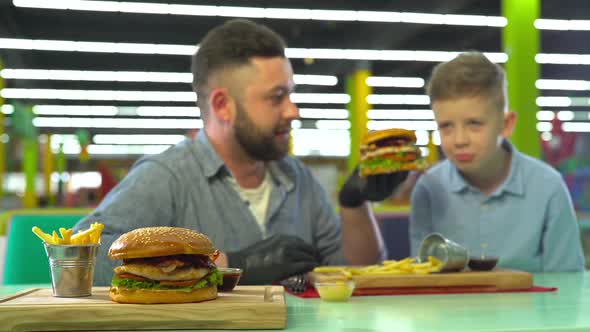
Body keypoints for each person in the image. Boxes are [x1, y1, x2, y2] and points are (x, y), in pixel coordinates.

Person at [75, 19, 407, 286]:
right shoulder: (167, 177)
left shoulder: (298, 178)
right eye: (277, 97)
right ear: (223, 105)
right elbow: (81, 259)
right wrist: (226, 266)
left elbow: (355, 274)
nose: (294, 111)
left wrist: (354, 206)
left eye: (291, 94)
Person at [409, 51, 585, 272]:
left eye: (474, 124)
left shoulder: (548, 187)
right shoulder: (428, 189)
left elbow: (568, 283)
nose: (459, 140)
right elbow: (422, 278)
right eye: (446, 126)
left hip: (534, 307)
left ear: (506, 124)